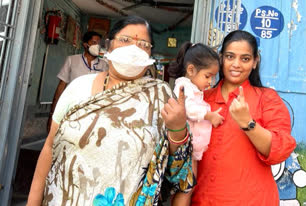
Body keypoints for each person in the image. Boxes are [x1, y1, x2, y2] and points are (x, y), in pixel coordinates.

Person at [27, 15, 195, 206]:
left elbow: (178, 168)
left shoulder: (161, 95)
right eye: (125, 40)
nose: (134, 48)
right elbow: (50, 147)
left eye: (143, 44)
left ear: (150, 53)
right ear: (109, 45)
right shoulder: (78, 87)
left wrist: (178, 128)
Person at [191, 30, 296, 205]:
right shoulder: (201, 99)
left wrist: (248, 123)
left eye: (245, 59)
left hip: (252, 199)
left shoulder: (266, 98)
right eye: (230, 57)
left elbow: (280, 150)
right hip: (203, 199)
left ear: (255, 62)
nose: (236, 64)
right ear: (221, 58)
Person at [167, 42, 224, 204]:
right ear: (191, 70)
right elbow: (188, 109)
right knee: (186, 187)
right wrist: (209, 116)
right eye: (207, 76)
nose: (211, 82)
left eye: (213, 77)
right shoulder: (184, 86)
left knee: (189, 185)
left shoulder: (193, 88)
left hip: (192, 149)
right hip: (185, 148)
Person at [47, 31, 108, 132]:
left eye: (98, 43)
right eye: (93, 43)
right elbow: (61, 86)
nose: (97, 46)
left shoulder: (104, 65)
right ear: (85, 44)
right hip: (71, 110)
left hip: (93, 112)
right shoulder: (72, 60)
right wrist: (52, 113)